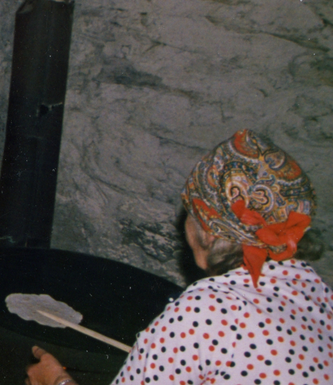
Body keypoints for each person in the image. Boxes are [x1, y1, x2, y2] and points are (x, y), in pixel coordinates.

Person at [27, 129, 332, 385]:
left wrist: (58, 382)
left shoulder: (205, 311)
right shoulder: (317, 291)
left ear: (209, 231)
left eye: (190, 209)